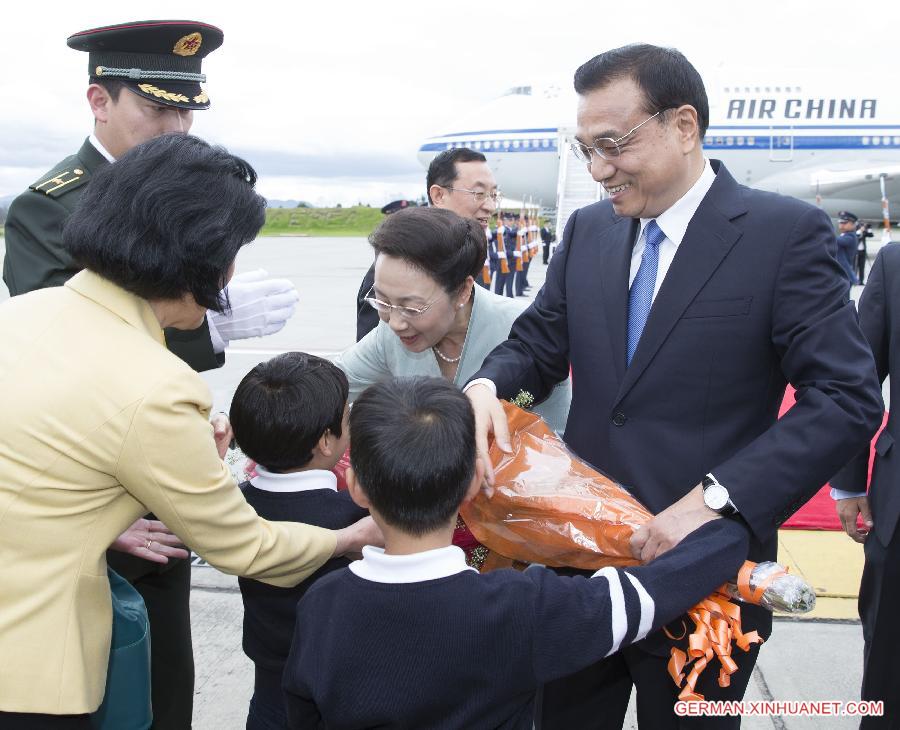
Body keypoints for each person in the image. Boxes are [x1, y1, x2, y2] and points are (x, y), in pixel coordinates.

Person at [464, 43, 882, 729]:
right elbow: (540, 341)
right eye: (586, 149)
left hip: (704, 575)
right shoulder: (590, 230)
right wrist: (486, 385)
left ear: (683, 126)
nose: (599, 170)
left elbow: (845, 396)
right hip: (579, 567)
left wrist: (719, 499)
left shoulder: (782, 235)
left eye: (613, 145)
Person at [0, 134, 379, 729]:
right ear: (202, 259)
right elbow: (244, 547)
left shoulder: (22, 315)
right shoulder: (156, 385)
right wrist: (347, 539)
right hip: (27, 666)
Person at [1, 21, 301, 729]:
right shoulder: (51, 205)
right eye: (156, 108)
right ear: (98, 101)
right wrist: (210, 325)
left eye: (186, 110)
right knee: (87, 691)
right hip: (90, 508)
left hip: (161, 485)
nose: (176, 128)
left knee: (166, 683)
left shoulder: (188, 190)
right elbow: (63, 365)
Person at [281, 376, 751, 728]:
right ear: (473, 483)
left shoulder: (322, 605)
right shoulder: (520, 607)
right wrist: (729, 532)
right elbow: (646, 595)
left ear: (357, 487)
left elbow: (303, 713)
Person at [337, 206, 570, 435]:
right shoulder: (388, 334)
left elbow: (559, 438)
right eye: (382, 301)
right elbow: (335, 384)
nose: (396, 322)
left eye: (412, 307)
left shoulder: (528, 334)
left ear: (461, 291)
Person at [230, 352, 368, 730]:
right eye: (346, 414)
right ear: (326, 441)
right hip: (337, 696)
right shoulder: (355, 520)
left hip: (270, 690)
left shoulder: (234, 509)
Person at [831, 243, 900, 727]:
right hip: (899, 510)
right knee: (889, 668)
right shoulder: (896, 264)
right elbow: (857, 378)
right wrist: (848, 482)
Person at [355, 148, 500, 340]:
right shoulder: (395, 269)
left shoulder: (467, 258)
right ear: (439, 195)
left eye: (494, 194)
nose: (490, 206)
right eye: (479, 193)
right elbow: (376, 360)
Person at [836, 211, 860, 288]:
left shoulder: (850, 237)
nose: (842, 225)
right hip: (841, 274)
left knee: (843, 299)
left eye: (845, 223)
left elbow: (836, 241)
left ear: (853, 224)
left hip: (844, 274)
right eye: (841, 223)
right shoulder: (844, 235)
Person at [856, 221, 874, 285]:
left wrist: (869, 227)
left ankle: (861, 281)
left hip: (863, 252)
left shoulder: (863, 232)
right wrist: (860, 230)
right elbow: (857, 235)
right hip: (856, 252)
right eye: (862, 226)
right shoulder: (856, 231)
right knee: (855, 267)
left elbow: (871, 235)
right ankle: (854, 280)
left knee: (862, 267)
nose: (863, 227)